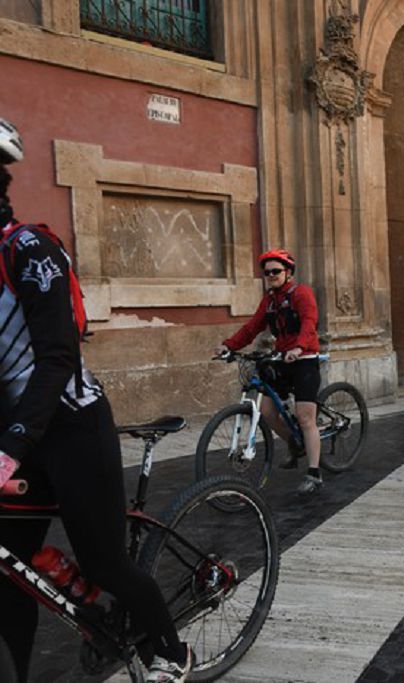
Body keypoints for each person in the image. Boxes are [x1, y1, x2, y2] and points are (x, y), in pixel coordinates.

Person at [0, 118, 192, 682]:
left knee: (105, 561)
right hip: (20, 435)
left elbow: (57, 357)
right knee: (9, 569)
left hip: (70, 427)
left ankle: (171, 652)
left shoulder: (29, 251)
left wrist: (9, 448)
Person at [217, 249, 323, 494]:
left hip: (304, 358)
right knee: (266, 410)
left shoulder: (301, 293)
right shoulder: (270, 300)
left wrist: (298, 347)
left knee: (305, 416)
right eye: (267, 273)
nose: (271, 276)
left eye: (276, 271)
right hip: (281, 358)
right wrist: (228, 345)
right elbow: (253, 327)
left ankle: (314, 472)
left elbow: (310, 321)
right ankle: (295, 444)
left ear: (288, 273)